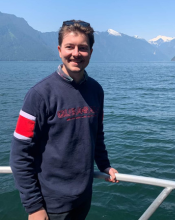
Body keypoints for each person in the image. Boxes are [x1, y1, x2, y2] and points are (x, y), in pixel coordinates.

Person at [10, 19, 118, 220]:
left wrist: (104, 165)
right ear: (60, 50)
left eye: (83, 48)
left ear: (91, 52)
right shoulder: (39, 95)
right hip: (51, 205)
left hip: (83, 199)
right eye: (70, 47)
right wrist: (34, 207)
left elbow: (97, 134)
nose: (76, 53)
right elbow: (19, 154)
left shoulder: (96, 91)